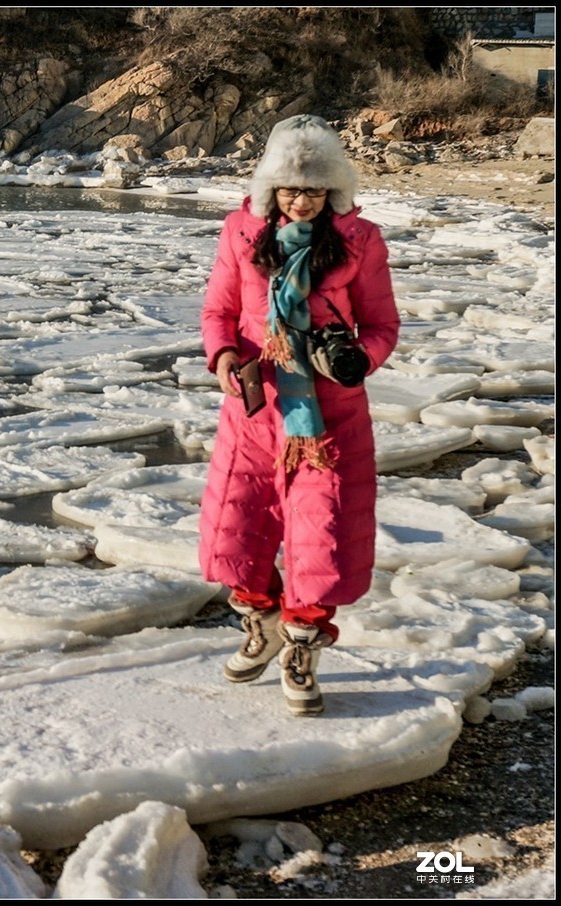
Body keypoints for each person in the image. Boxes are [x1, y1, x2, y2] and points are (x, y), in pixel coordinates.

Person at [198, 114, 401, 716]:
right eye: (290, 189)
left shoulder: (361, 242)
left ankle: (302, 649)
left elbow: (384, 325)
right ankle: (259, 625)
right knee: (238, 532)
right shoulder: (240, 234)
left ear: (334, 190)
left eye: (314, 189)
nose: (302, 200)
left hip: (328, 419)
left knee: (323, 539)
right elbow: (218, 311)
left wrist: (356, 360)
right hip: (254, 412)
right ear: (270, 191)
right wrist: (226, 355)